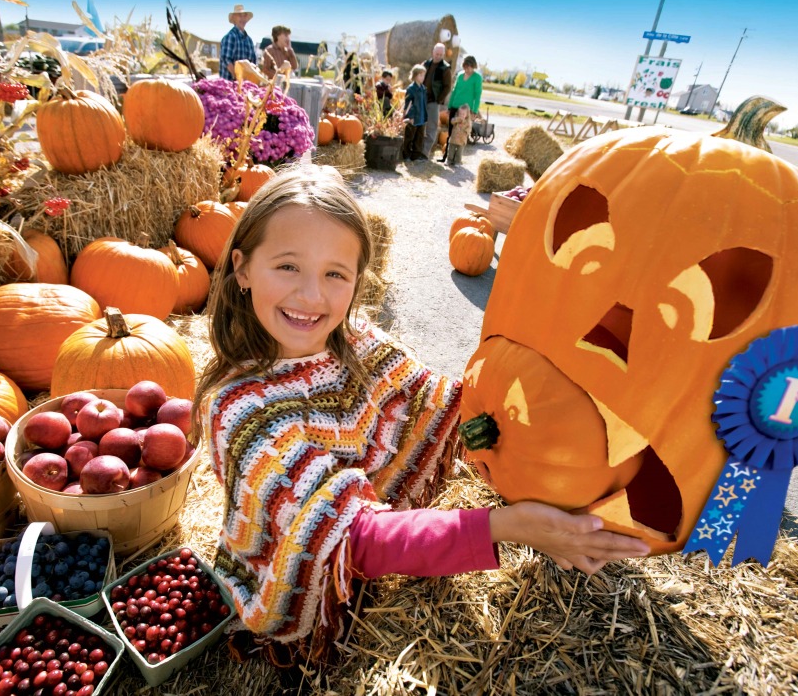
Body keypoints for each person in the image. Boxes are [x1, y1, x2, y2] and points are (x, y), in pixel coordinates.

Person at [192, 164, 651, 666]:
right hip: (313, 576)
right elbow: (351, 540)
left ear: (358, 279)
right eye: (287, 266)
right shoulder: (240, 409)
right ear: (241, 267)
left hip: (390, 535)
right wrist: (508, 525)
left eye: (335, 274)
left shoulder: (359, 342)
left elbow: (451, 410)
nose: (312, 295)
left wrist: (546, 404)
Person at [422, 43, 452, 159]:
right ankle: (417, 150)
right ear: (433, 52)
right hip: (422, 98)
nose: (438, 56)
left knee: (432, 126)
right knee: (420, 125)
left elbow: (447, 86)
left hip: (433, 101)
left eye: (441, 54)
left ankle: (425, 152)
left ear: (443, 54)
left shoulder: (445, 68)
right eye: (436, 53)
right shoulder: (426, 64)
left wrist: (438, 99)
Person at [446, 54, 482, 146]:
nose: (467, 69)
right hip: (455, 106)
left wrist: (474, 111)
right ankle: (448, 153)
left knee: (462, 132)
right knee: (451, 130)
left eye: (469, 67)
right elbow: (454, 91)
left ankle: (458, 154)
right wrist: (449, 106)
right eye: (466, 67)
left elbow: (477, 95)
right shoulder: (460, 75)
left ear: (473, 66)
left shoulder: (477, 78)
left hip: (466, 109)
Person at [220, 4, 257, 81]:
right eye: (240, 16)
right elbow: (227, 61)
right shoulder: (230, 37)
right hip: (230, 84)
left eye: (244, 16)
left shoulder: (249, 40)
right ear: (234, 19)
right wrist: (238, 78)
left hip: (246, 85)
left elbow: (253, 63)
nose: (243, 19)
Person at [401, 64, 428, 161]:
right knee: (409, 136)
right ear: (415, 75)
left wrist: (425, 116)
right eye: (420, 75)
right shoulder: (411, 89)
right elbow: (408, 104)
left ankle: (416, 155)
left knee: (419, 137)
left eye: (424, 75)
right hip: (414, 117)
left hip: (421, 116)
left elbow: (424, 103)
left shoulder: (423, 88)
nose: (422, 77)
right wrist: (410, 116)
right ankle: (407, 154)